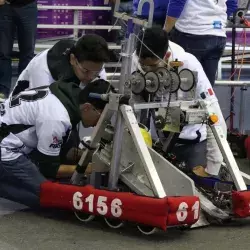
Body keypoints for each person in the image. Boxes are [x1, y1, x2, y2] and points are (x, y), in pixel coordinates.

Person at [132, 26, 227, 177]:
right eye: (144, 67)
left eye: (153, 66)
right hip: (158, 141)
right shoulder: (136, 61)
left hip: (192, 142)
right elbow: (134, 107)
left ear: (167, 55)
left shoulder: (188, 63)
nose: (148, 72)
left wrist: (212, 169)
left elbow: (213, 113)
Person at [0, 79, 110, 207]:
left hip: (11, 135)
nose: (99, 123)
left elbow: (61, 149)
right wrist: (91, 168)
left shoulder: (65, 95)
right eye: (101, 117)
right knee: (50, 197)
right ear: (87, 107)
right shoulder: (57, 118)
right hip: (6, 148)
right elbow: (49, 169)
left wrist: (90, 156)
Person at [10, 34, 110, 97]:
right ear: (73, 59)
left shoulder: (95, 63)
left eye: (96, 72)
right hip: (23, 118)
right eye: (85, 71)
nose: (90, 77)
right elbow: (46, 116)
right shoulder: (43, 69)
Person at [165, 0, 238, 86]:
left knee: (185, 87)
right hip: (218, 35)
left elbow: (177, 3)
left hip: (191, 34)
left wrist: (164, 32)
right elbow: (232, 4)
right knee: (206, 88)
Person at [0, 0, 37, 97]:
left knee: (28, 51)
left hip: (27, 6)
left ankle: (24, 89)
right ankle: (3, 90)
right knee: (3, 52)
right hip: (5, 7)